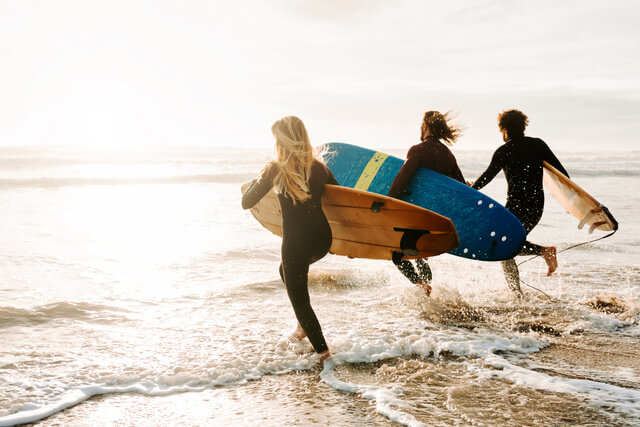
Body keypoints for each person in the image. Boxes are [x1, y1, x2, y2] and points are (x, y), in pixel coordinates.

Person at [241, 115, 337, 365]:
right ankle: (302, 326)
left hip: (296, 243)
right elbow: (342, 201)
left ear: (282, 141)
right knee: (284, 271)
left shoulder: (276, 168)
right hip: (322, 240)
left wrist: (259, 180)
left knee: (300, 298)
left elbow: (247, 202)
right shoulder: (320, 168)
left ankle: (325, 357)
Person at [471, 109, 569, 296]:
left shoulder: (504, 151)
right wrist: (570, 204)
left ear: (504, 129)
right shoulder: (537, 145)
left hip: (515, 207)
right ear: (523, 126)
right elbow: (562, 175)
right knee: (505, 247)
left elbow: (486, 177)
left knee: (503, 247)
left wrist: (470, 190)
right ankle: (519, 291)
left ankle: (521, 288)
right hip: (536, 205)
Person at [387, 111, 466, 296]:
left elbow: (402, 179)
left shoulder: (418, 150)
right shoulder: (448, 154)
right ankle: (429, 293)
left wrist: (389, 203)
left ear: (426, 126)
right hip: (437, 217)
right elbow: (461, 187)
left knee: (397, 255)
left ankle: (422, 286)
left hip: (417, 214)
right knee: (422, 256)